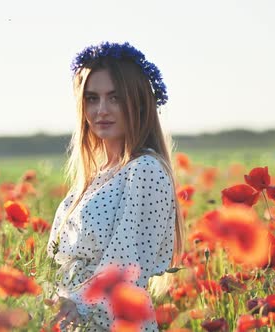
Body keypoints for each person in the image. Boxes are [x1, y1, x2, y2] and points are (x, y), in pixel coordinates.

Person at [46, 42, 184, 331]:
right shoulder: (94, 177)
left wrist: (76, 305)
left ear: (139, 102)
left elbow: (125, 270)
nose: (102, 110)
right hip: (76, 320)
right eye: (92, 98)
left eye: (115, 98)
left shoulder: (146, 170)